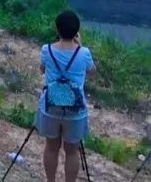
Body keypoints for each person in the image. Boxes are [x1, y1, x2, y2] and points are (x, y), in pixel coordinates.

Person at [36, 10, 97, 182]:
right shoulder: (84, 53)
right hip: (75, 111)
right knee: (72, 151)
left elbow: (42, 69)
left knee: (51, 147)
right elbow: (92, 72)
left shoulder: (46, 50)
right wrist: (80, 45)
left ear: (57, 29)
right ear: (77, 31)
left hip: (50, 106)